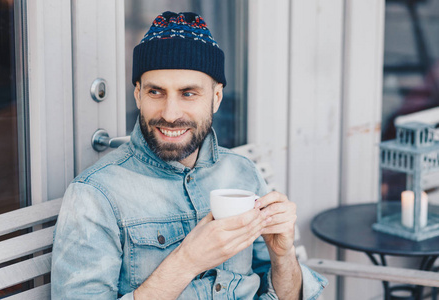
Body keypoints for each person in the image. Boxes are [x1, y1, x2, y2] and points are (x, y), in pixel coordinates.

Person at [51, 11, 327, 300]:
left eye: (188, 93)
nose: (170, 114)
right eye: (156, 92)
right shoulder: (95, 195)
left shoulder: (242, 172)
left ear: (216, 98)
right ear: (138, 95)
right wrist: (187, 261)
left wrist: (282, 256)